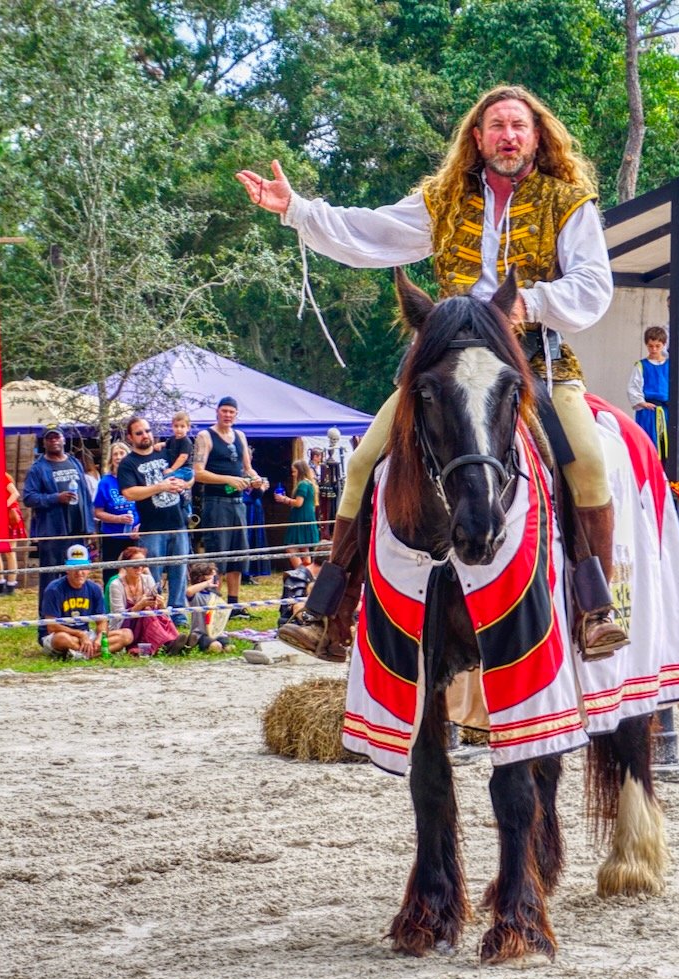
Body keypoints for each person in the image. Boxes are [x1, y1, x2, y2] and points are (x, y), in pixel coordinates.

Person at [240, 84, 625, 661]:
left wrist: (532, 304)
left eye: (519, 126)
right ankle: (329, 612)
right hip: (444, 365)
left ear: (537, 136)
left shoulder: (567, 201)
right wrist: (296, 209)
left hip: (535, 361)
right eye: (496, 126)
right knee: (363, 463)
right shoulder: (444, 198)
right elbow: (371, 232)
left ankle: (595, 608)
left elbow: (594, 285)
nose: (508, 136)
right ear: (478, 137)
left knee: (589, 464)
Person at [192, 397, 266, 618]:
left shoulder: (240, 436)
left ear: (236, 414)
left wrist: (258, 479)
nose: (227, 415)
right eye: (224, 411)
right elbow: (198, 472)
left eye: (231, 412)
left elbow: (247, 468)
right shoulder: (206, 437)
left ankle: (234, 605)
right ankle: (217, 602)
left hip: (238, 503)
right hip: (215, 503)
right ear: (217, 412)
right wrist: (227, 479)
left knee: (238, 553)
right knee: (219, 553)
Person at [115, 416, 190, 626]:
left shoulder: (165, 452)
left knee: (180, 569)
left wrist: (184, 482)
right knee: (151, 572)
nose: (145, 435)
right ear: (130, 437)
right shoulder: (128, 463)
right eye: (139, 433)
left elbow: (190, 470)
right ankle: (156, 614)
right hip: (152, 527)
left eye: (147, 431)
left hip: (178, 521)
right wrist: (161, 486)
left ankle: (178, 614)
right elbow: (129, 493)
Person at [24, 428, 94, 590]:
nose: (54, 441)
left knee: (76, 574)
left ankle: (72, 612)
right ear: (44, 443)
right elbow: (29, 498)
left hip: (77, 530)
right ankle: (48, 613)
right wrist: (56, 497)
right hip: (53, 533)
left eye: (57, 437)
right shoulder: (38, 468)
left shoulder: (74, 462)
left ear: (63, 440)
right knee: (51, 578)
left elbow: (85, 494)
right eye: (50, 438)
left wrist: (89, 527)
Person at [38, 543, 130, 659]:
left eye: (83, 568)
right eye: (74, 568)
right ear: (67, 569)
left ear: (88, 569)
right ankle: (94, 653)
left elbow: (102, 621)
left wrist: (100, 637)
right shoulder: (54, 589)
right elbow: (51, 626)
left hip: (86, 635)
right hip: (63, 635)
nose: (79, 572)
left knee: (127, 635)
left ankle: (81, 654)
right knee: (61, 639)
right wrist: (80, 634)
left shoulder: (94, 588)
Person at [105, 545, 186, 655]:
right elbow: (118, 616)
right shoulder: (116, 585)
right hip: (125, 625)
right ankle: (169, 644)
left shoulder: (147, 579)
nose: (139, 568)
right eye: (135, 565)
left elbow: (158, 607)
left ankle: (173, 642)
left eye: (143, 565)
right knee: (147, 610)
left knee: (153, 610)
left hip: (146, 621)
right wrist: (138, 606)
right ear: (125, 565)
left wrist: (161, 605)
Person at [93, 441, 138, 587]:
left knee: (135, 572)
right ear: (111, 459)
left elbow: (147, 505)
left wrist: (141, 525)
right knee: (111, 573)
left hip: (134, 535)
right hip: (112, 536)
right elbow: (98, 512)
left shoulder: (136, 478)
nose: (118, 457)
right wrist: (117, 519)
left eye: (122, 453)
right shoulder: (105, 482)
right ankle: (110, 604)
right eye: (115, 454)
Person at [627, 325, 671, 460]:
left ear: (663, 345)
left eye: (657, 346)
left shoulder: (670, 365)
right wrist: (643, 403)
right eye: (651, 346)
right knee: (649, 443)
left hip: (666, 409)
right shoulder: (641, 365)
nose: (654, 349)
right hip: (648, 411)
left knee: (666, 444)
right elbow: (634, 387)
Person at [277, 458, 320, 569]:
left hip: (301, 517)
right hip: (307, 516)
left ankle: (301, 573)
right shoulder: (309, 484)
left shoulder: (303, 485)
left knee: (291, 547)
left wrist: (284, 499)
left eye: (294, 471)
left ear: (300, 471)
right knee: (303, 548)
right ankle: (308, 571)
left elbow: (298, 503)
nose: (293, 474)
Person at [184, 560, 232, 653]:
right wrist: (207, 583)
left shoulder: (215, 596)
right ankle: (193, 642)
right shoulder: (197, 596)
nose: (215, 578)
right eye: (211, 575)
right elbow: (189, 591)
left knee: (230, 648)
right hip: (201, 634)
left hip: (215, 633)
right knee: (216, 647)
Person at [0, 471, 25, 596]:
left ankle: (11, 584)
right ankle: (0, 582)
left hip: (9, 516)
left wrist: (3, 506)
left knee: (10, 551)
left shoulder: (2, 476)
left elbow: (15, 493)